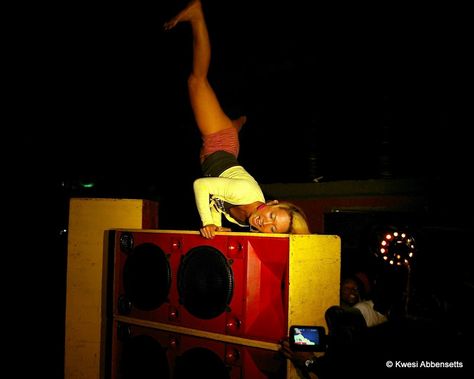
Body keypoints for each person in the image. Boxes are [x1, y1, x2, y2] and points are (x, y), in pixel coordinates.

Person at [163, 0, 310, 239]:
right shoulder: (246, 193)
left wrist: (218, 222)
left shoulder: (245, 220)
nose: (265, 223)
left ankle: (239, 122)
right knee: (197, 81)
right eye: (273, 217)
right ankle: (197, 16)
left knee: (231, 128)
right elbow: (202, 186)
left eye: (273, 229)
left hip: (224, 152)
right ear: (272, 203)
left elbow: (216, 199)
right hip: (218, 141)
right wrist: (209, 223)